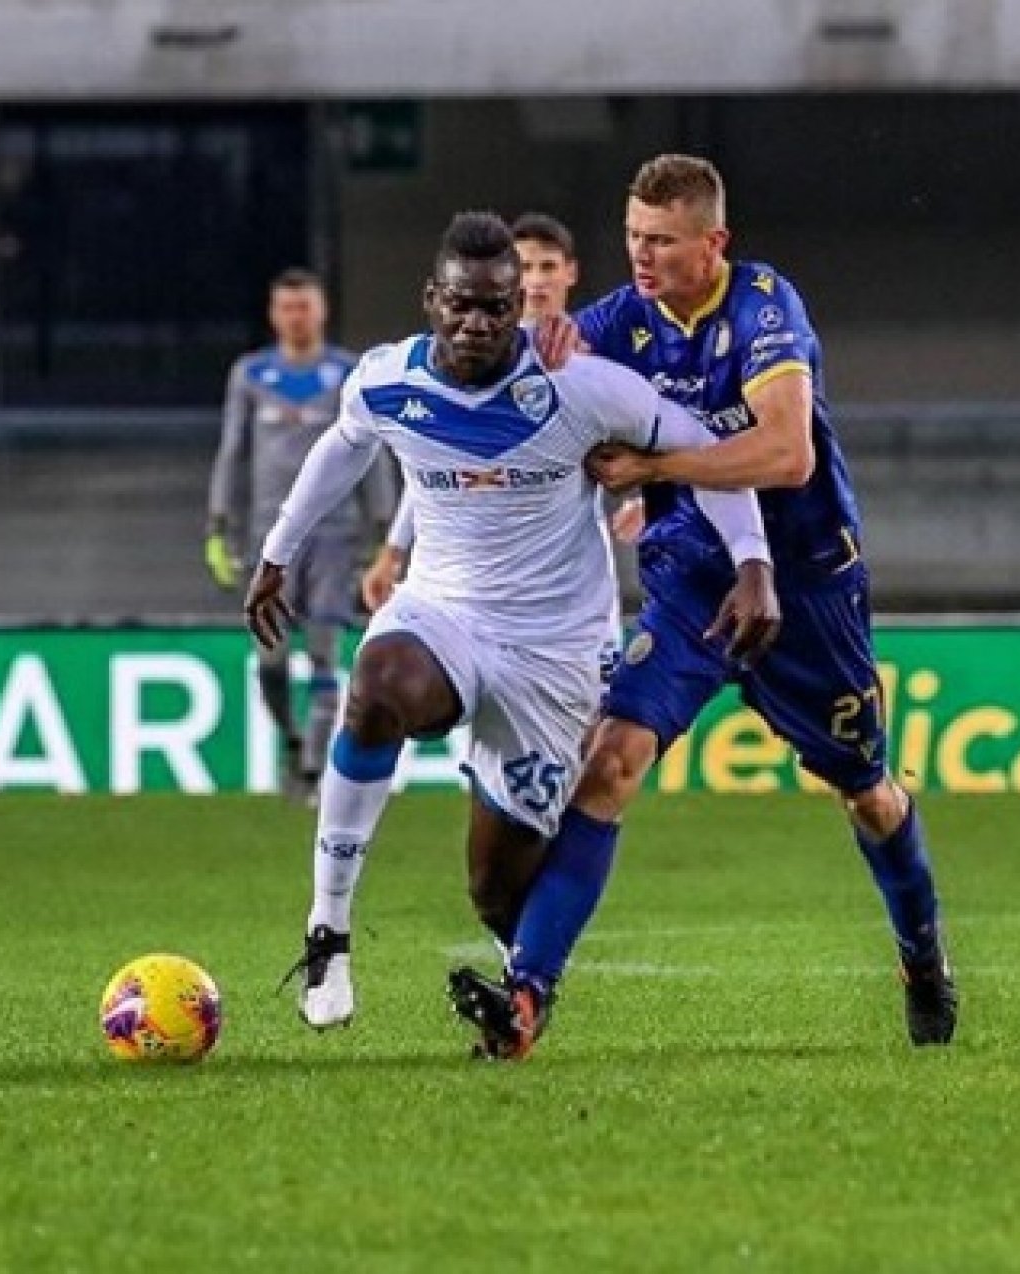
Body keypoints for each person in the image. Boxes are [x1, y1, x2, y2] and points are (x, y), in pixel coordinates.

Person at [450, 155, 959, 1060]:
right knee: (612, 759)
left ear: (714, 242)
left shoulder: (764, 308)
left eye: (662, 241)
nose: (641, 257)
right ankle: (527, 996)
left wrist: (655, 467)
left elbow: (787, 455)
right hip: (691, 578)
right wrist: (535, 343)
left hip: (808, 586)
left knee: (868, 796)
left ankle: (922, 958)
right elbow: (527, 381)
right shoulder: (619, 321)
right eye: (632, 238)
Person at [246, 211, 779, 1035]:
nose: (477, 322)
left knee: (497, 891)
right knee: (378, 686)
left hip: (552, 650)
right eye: (461, 304)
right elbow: (344, 446)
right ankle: (329, 930)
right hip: (443, 612)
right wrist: (279, 552)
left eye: (496, 307)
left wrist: (753, 562)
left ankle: (527, 985)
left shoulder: (582, 387)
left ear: (517, 307)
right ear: (432, 299)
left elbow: (702, 448)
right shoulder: (386, 380)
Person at [362, 212, 614, 612]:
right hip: (472, 567)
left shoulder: (595, 358)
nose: (536, 280)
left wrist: (643, 493)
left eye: (548, 266)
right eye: (525, 267)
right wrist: (394, 548)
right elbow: (435, 459)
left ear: (571, 272)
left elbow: (655, 431)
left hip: (568, 564)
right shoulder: (465, 358)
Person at [206, 269, 390, 802]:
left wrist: (383, 531)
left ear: (322, 310)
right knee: (271, 657)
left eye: (304, 307)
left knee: (325, 649)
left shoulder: (348, 373)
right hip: (269, 535)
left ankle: (312, 769)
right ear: (273, 314)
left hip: (335, 532)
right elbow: (232, 452)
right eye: (287, 308)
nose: (296, 317)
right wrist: (219, 523)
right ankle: (291, 737)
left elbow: (371, 452)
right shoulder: (251, 374)